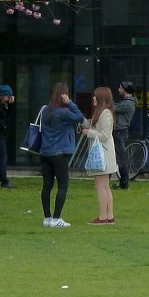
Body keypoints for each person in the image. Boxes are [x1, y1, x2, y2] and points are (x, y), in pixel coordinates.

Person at [38, 82, 85, 227]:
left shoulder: (45, 110)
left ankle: (47, 217)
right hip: (59, 153)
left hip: (45, 152)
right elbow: (80, 117)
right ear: (63, 95)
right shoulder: (63, 112)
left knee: (47, 185)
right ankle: (56, 218)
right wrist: (70, 102)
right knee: (63, 185)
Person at [82, 86, 119, 224]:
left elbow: (104, 135)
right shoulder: (101, 113)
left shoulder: (106, 114)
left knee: (101, 186)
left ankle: (103, 217)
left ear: (102, 98)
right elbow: (91, 124)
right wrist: (80, 119)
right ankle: (109, 216)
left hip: (103, 156)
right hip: (103, 156)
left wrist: (88, 133)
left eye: (95, 96)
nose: (93, 98)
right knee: (105, 186)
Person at [112, 81, 137, 190]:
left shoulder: (128, 103)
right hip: (119, 131)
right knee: (116, 157)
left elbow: (113, 107)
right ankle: (122, 183)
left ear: (126, 90)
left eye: (120, 88)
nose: (118, 89)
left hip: (120, 132)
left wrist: (107, 99)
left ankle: (124, 184)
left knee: (121, 159)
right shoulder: (127, 102)